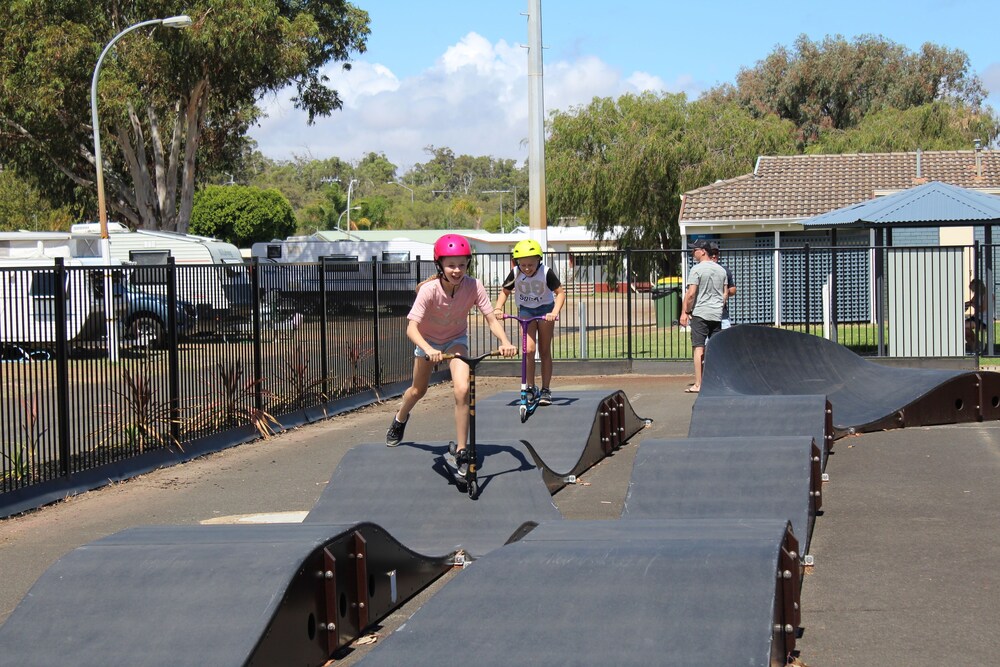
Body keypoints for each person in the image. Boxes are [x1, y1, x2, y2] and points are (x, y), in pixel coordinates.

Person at [385, 234, 517, 476]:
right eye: (451, 265)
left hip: (456, 341)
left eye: (462, 265)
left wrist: (506, 341)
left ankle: (462, 450)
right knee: (418, 390)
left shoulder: (474, 286)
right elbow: (411, 328)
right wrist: (428, 349)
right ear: (440, 266)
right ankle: (400, 418)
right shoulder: (429, 290)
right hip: (428, 343)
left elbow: (490, 318)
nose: (457, 270)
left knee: (462, 389)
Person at [493, 239, 566, 405]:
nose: (526, 268)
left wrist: (554, 313)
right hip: (525, 310)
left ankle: (546, 390)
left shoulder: (546, 272)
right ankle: (531, 387)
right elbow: (505, 291)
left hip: (545, 310)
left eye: (530, 265)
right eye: (523, 264)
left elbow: (560, 293)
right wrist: (498, 308)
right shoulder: (516, 272)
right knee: (529, 350)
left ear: (538, 260)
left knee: (545, 350)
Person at [679, 239, 728, 393]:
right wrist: (719, 305)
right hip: (716, 313)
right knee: (714, 348)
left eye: (694, 250)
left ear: (703, 251)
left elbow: (691, 293)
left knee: (698, 347)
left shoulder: (697, 269)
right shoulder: (721, 270)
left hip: (700, 313)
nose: (692, 253)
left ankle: (699, 384)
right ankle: (715, 382)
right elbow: (725, 292)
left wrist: (685, 312)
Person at [708, 244, 737, 328]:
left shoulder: (724, 270)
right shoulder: (700, 270)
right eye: (711, 253)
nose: (714, 256)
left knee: (726, 339)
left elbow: (733, 289)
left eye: (716, 253)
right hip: (705, 314)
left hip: (722, 314)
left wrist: (726, 291)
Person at [965, 277, 987, 354]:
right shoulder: (977, 295)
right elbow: (970, 302)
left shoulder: (987, 295)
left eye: (973, 289)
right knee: (963, 329)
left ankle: (976, 345)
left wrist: (972, 304)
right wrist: (966, 305)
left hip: (984, 320)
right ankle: (976, 344)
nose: (972, 291)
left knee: (964, 326)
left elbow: (983, 308)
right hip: (975, 318)